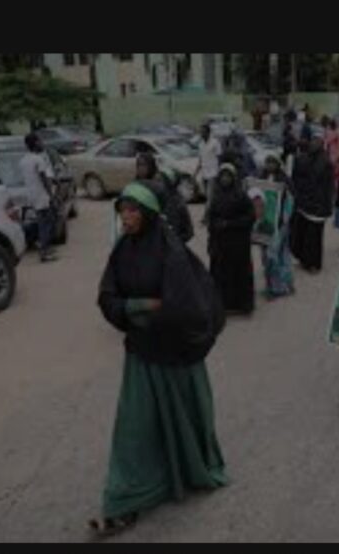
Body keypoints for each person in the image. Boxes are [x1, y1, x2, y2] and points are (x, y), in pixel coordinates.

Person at [92, 183, 227, 536]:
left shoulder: (172, 253)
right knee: (134, 430)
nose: (127, 217)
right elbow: (107, 298)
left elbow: (184, 309)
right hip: (141, 355)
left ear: (150, 214)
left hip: (175, 355)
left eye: (134, 210)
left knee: (184, 420)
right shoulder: (121, 250)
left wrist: (147, 310)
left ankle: (188, 471)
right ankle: (124, 501)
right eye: (122, 210)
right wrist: (139, 306)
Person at [206, 164, 256, 315]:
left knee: (239, 273)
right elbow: (211, 217)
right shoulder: (216, 196)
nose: (225, 179)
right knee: (221, 274)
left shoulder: (241, 196)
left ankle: (242, 305)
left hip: (238, 243)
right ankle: (223, 304)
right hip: (220, 244)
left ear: (234, 178)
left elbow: (250, 217)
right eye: (222, 176)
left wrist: (230, 224)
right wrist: (215, 225)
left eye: (228, 176)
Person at [289, 127, 335, 273]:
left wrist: (327, 206)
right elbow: (296, 178)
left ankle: (314, 264)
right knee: (301, 233)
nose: (314, 143)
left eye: (318, 141)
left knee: (314, 237)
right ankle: (303, 259)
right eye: (313, 140)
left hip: (318, 204)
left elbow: (329, 187)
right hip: (304, 202)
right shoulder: (304, 158)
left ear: (322, 143)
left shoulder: (326, 162)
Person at [258, 155, 295, 298]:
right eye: (268, 161)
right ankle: (272, 285)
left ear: (278, 164)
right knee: (266, 257)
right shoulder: (260, 178)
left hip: (279, 224)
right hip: (263, 224)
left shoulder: (284, 180)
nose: (270, 165)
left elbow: (290, 202)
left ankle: (280, 287)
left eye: (273, 162)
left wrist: (284, 221)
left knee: (276, 256)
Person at [19, 133, 58, 262]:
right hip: (42, 196)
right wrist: (51, 195)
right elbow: (44, 179)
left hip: (32, 196)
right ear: (35, 143)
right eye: (40, 141)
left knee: (47, 221)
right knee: (46, 224)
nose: (42, 143)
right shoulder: (38, 159)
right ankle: (44, 252)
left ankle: (44, 246)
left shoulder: (23, 160)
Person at [155, 166, 194, 243]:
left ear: (168, 182)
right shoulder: (154, 200)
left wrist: (176, 242)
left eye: (160, 181)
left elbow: (189, 232)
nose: (156, 183)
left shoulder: (178, 203)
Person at [195, 124, 222, 223]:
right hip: (204, 174)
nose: (201, 133)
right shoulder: (200, 144)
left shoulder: (215, 143)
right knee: (208, 197)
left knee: (210, 197)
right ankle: (214, 215)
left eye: (203, 131)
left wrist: (220, 173)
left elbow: (219, 159)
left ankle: (205, 218)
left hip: (213, 174)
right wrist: (195, 173)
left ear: (208, 132)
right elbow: (200, 160)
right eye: (200, 131)